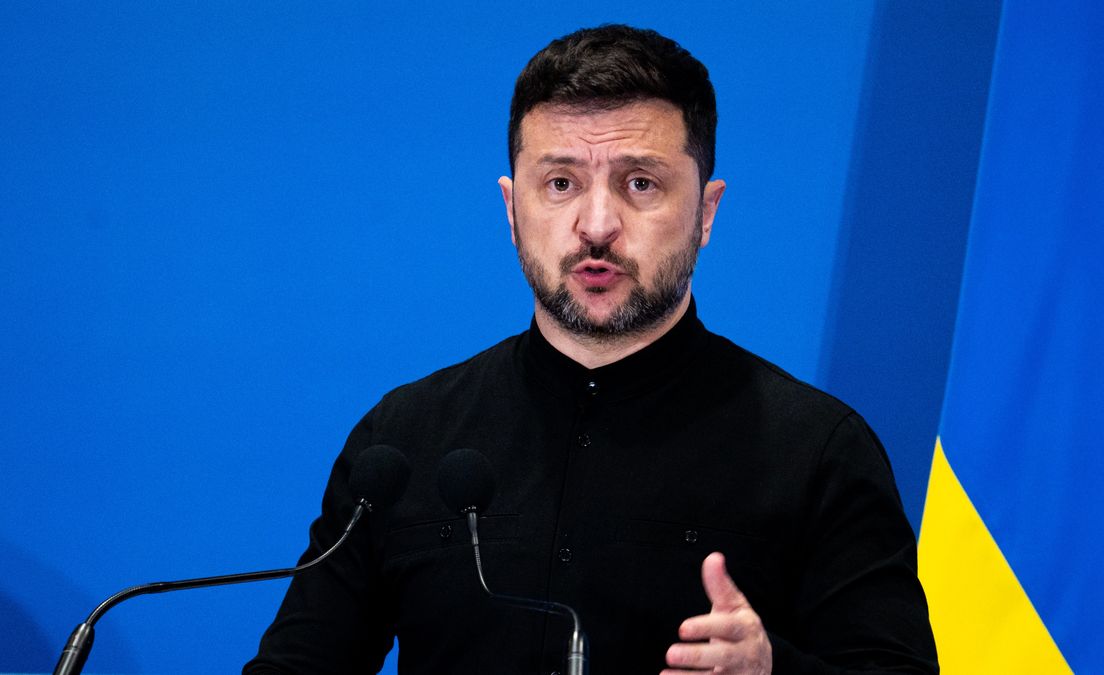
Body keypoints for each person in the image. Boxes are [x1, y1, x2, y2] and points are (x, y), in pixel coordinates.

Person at [246, 24, 938, 675]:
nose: (597, 225)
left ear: (706, 212)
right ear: (512, 211)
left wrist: (773, 669)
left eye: (641, 183)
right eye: (561, 183)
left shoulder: (818, 450)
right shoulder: (402, 441)